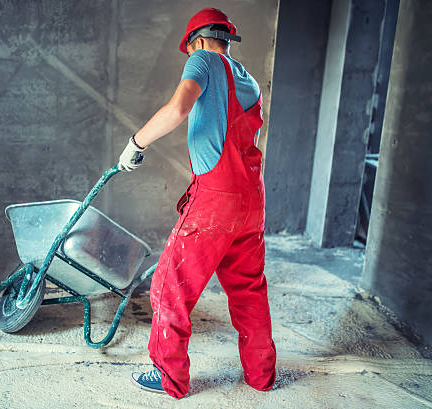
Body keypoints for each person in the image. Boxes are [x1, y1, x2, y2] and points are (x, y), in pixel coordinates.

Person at [119, 7, 277, 399]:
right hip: (251, 200)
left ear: (198, 41)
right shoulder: (250, 81)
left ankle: (169, 377)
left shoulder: (204, 60)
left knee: (170, 284)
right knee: (249, 290)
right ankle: (262, 376)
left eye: (190, 48)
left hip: (215, 199)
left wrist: (135, 143)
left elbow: (178, 108)